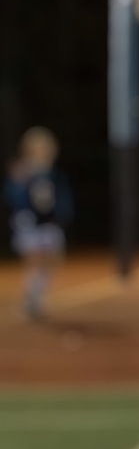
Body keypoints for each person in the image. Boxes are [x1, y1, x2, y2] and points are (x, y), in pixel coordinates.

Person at [6, 127, 72, 321]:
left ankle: (37, 293)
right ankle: (31, 298)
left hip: (49, 223)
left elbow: (62, 198)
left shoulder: (53, 172)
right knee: (34, 259)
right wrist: (19, 182)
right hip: (29, 223)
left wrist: (62, 215)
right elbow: (12, 196)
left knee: (52, 260)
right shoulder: (22, 170)